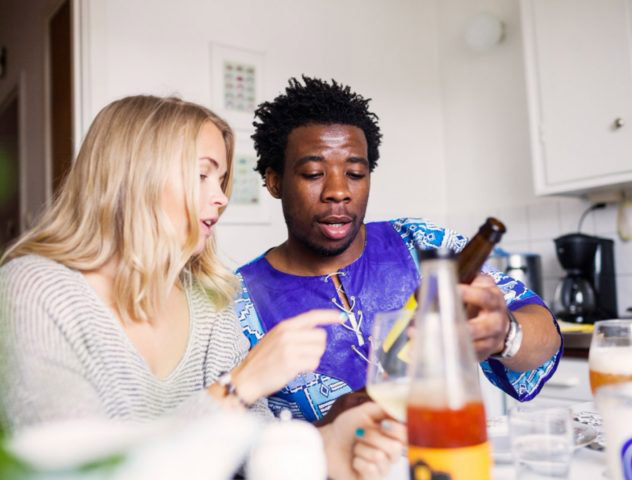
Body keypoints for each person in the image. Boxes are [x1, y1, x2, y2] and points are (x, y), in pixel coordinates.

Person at [0, 95, 404, 479]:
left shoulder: (208, 299)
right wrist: (237, 386)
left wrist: (328, 446)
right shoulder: (35, 290)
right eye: (201, 175)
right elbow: (77, 470)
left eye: (222, 179)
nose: (221, 198)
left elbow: (252, 451)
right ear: (135, 178)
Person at [235, 76, 563, 422]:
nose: (338, 191)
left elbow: (543, 331)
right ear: (274, 181)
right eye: (314, 173)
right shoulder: (238, 302)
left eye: (355, 174)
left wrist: (505, 334)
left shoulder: (420, 244)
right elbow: (228, 436)